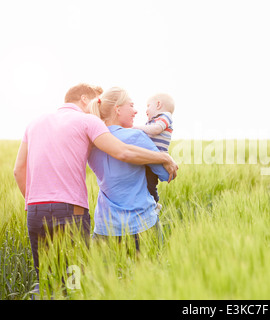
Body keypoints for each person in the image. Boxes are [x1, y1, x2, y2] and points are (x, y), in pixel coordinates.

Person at [13, 83, 178, 289]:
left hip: (50, 215)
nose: (135, 110)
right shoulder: (95, 125)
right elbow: (133, 158)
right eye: (131, 105)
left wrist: (36, 205)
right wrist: (163, 155)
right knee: (76, 283)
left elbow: (18, 171)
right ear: (85, 99)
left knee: (50, 282)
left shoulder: (40, 124)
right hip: (88, 215)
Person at [87, 87, 170, 250]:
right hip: (141, 225)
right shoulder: (136, 137)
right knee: (149, 273)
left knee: (107, 275)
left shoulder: (93, 144)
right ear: (117, 109)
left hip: (104, 228)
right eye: (131, 105)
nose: (136, 111)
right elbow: (166, 174)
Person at [133, 93, 175, 214]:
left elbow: (156, 129)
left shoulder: (165, 116)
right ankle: (150, 203)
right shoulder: (152, 121)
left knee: (150, 183)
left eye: (148, 106)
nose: (146, 110)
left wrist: (136, 128)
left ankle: (154, 203)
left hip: (157, 157)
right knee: (145, 181)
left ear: (158, 104)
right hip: (150, 157)